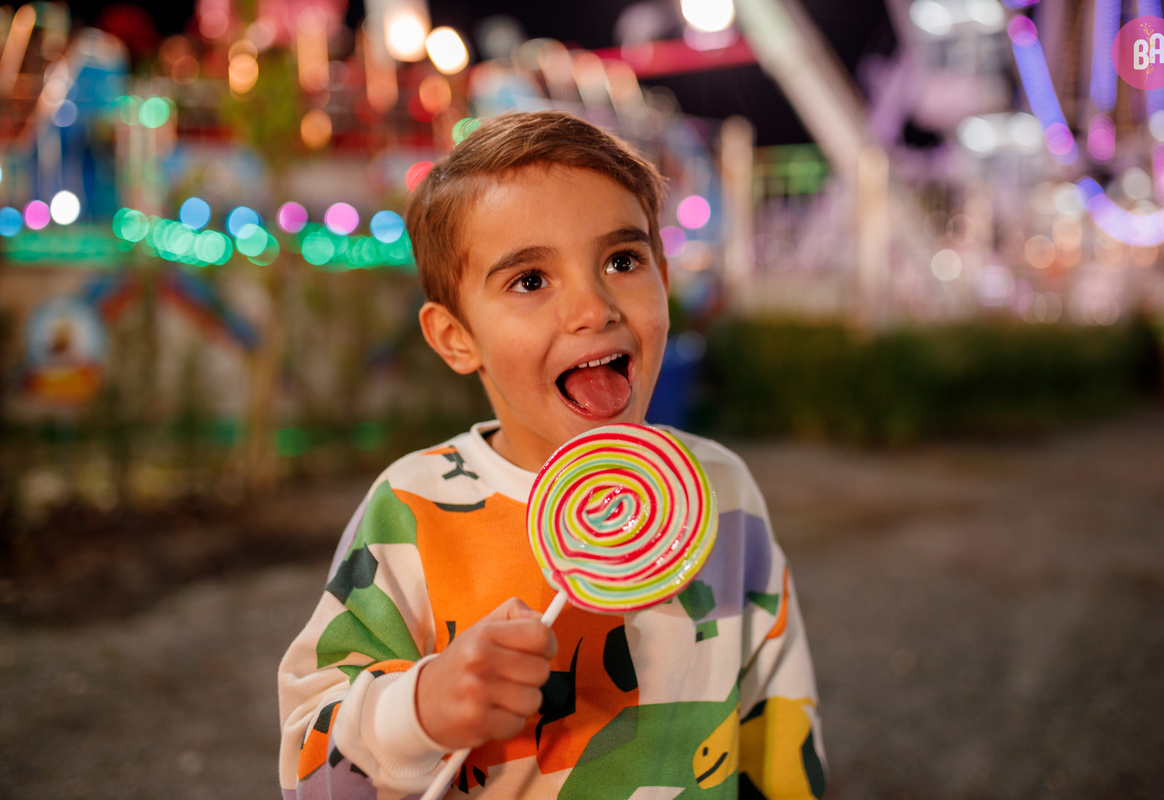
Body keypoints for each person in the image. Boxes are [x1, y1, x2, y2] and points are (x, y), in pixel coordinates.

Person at [278, 110, 825, 800]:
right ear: (455, 337)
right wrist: (419, 708)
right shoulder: (413, 511)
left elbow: (776, 718)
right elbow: (310, 771)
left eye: (622, 261)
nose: (593, 308)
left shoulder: (721, 489)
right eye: (530, 281)